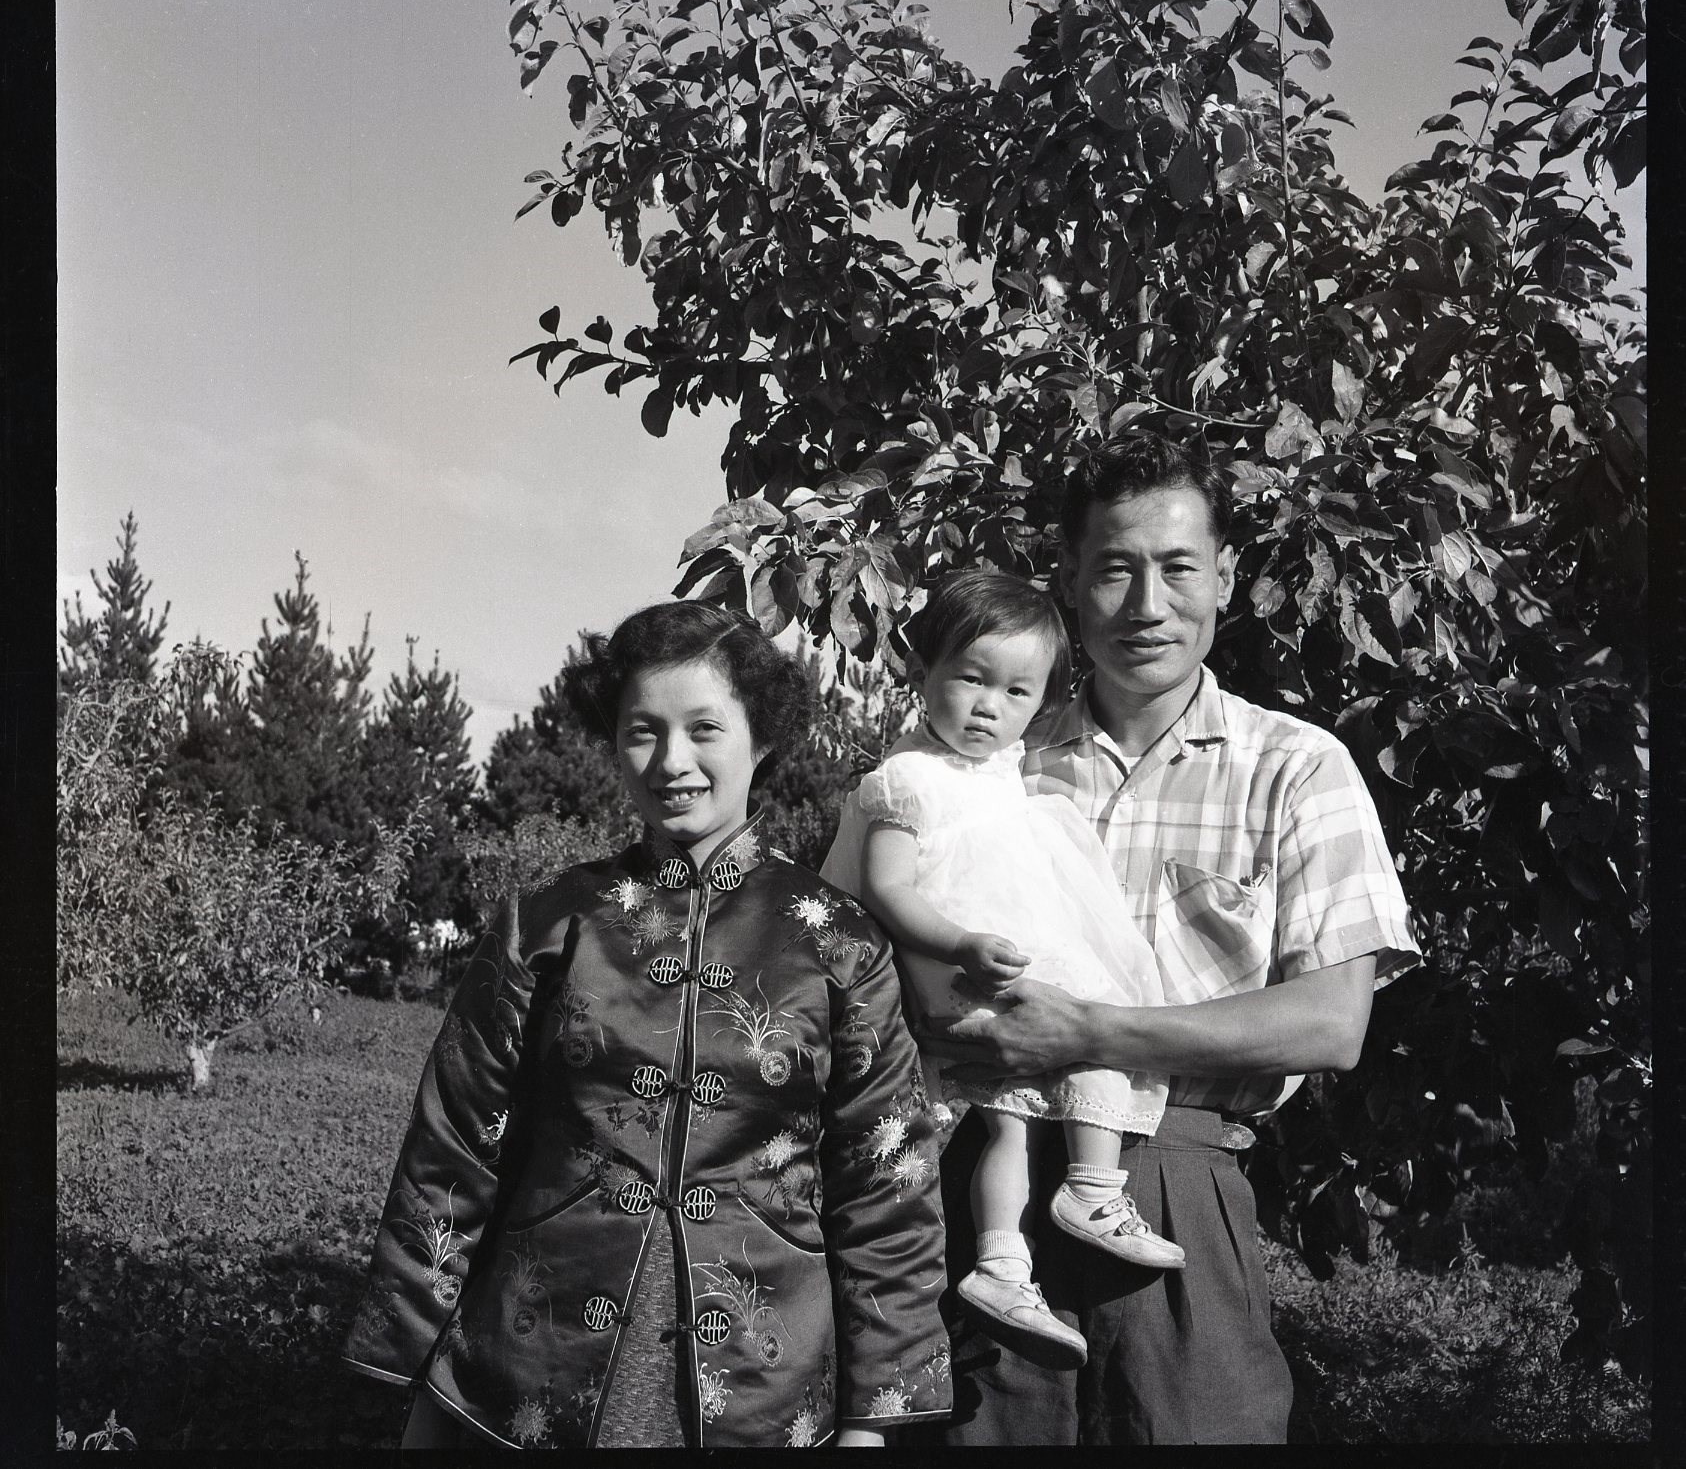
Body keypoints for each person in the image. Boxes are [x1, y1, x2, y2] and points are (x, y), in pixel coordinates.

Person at [341, 601, 952, 1449]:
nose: (673, 762)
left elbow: (887, 1184)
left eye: (704, 728)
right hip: (531, 1372)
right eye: (642, 731)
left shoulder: (840, 943)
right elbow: (452, 1149)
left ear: (761, 739)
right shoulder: (549, 924)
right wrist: (412, 1372)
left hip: (766, 1389)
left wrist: (872, 1420)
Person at [922, 430, 1422, 1446]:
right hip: (988, 1197)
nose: (1147, 604)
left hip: (1181, 1187)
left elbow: (1331, 1023)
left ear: (1225, 577)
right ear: (1068, 579)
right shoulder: (993, 765)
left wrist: (1091, 1037)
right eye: (1114, 568)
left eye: (1177, 568)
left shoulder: (1295, 767)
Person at [822, 569, 1182, 1370]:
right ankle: (1066, 1210)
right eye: (971, 679)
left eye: (1018, 692)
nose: (990, 706)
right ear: (923, 676)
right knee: (1059, 1060)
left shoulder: (1004, 772)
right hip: (965, 968)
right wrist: (960, 945)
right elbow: (887, 887)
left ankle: (1015, 1254)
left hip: (1002, 957)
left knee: (1035, 1095)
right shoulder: (905, 779)